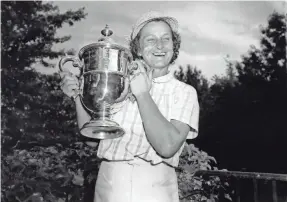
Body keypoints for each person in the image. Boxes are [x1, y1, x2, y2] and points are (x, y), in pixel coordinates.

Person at [60, 11, 199, 202]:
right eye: (150, 40)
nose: (159, 45)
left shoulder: (184, 92)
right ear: (138, 49)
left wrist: (142, 94)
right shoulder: (118, 86)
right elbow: (92, 140)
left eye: (166, 39)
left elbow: (167, 146)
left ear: (174, 47)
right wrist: (77, 96)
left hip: (156, 190)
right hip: (110, 185)